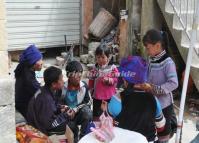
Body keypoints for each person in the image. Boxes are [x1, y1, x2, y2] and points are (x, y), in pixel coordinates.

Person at [101, 56, 166, 143]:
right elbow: (161, 127)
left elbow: (105, 126)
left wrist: (104, 109)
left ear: (125, 80)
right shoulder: (153, 100)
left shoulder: (117, 99)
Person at [141, 29, 179, 142]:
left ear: (157, 46)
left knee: (163, 134)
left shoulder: (168, 62)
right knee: (153, 130)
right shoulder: (151, 60)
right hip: (152, 102)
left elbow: (174, 83)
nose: (147, 51)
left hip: (164, 105)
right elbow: (147, 75)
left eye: (148, 48)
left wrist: (154, 89)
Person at [27, 66, 72, 136]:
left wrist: (59, 108)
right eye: (61, 79)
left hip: (38, 120)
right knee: (72, 125)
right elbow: (49, 124)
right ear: (54, 84)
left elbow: (50, 108)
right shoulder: (46, 99)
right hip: (39, 128)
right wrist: (65, 116)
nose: (63, 81)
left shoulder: (44, 89)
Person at [60, 61, 92, 143]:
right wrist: (67, 110)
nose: (79, 76)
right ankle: (74, 138)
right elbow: (58, 104)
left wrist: (75, 109)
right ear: (69, 76)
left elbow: (88, 102)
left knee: (88, 113)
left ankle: (83, 137)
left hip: (78, 113)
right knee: (71, 128)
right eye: (76, 73)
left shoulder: (84, 86)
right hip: (67, 115)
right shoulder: (62, 88)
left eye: (80, 73)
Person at [88, 45, 119, 120]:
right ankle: (96, 128)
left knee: (108, 114)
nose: (100, 60)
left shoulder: (112, 67)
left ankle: (108, 127)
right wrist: (91, 89)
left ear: (108, 57)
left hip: (109, 96)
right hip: (97, 96)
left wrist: (109, 80)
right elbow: (91, 80)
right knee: (96, 115)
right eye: (98, 57)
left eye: (103, 57)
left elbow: (116, 78)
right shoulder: (95, 68)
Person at [15, 44, 43, 118]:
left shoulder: (24, 66)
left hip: (20, 101)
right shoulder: (29, 79)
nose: (41, 62)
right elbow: (40, 92)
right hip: (26, 108)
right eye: (39, 60)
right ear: (33, 63)